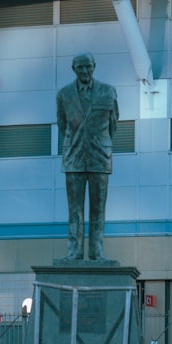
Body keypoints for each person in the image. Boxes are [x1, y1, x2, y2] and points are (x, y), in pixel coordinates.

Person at [56, 52, 118, 260]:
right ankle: (74, 251)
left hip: (100, 157)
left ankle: (96, 250)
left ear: (94, 66)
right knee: (75, 210)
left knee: (98, 209)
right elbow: (62, 125)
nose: (85, 70)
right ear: (74, 69)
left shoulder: (108, 92)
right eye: (80, 67)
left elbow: (113, 125)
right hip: (74, 158)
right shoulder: (64, 94)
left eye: (88, 66)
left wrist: (98, 143)